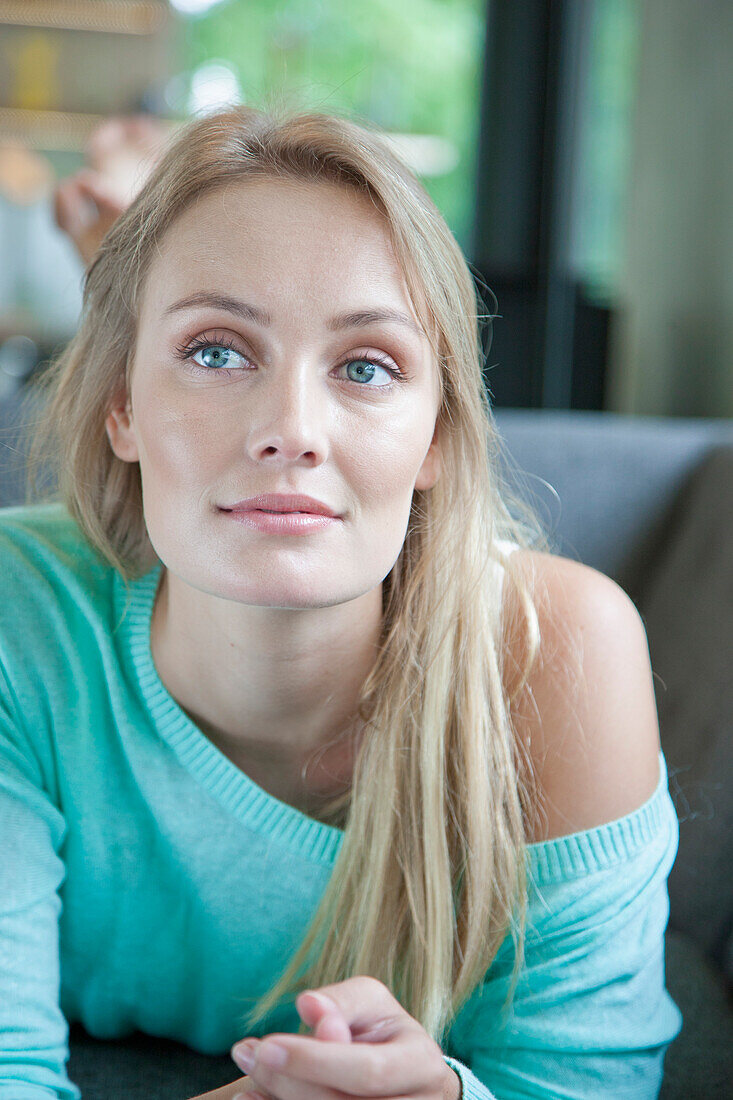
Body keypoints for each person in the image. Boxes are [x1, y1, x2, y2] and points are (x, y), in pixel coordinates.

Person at [0, 105, 682, 1100]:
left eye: (366, 366)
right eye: (217, 350)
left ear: (438, 437)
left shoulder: (558, 652)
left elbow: (582, 1082)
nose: (291, 430)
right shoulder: (20, 616)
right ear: (122, 406)